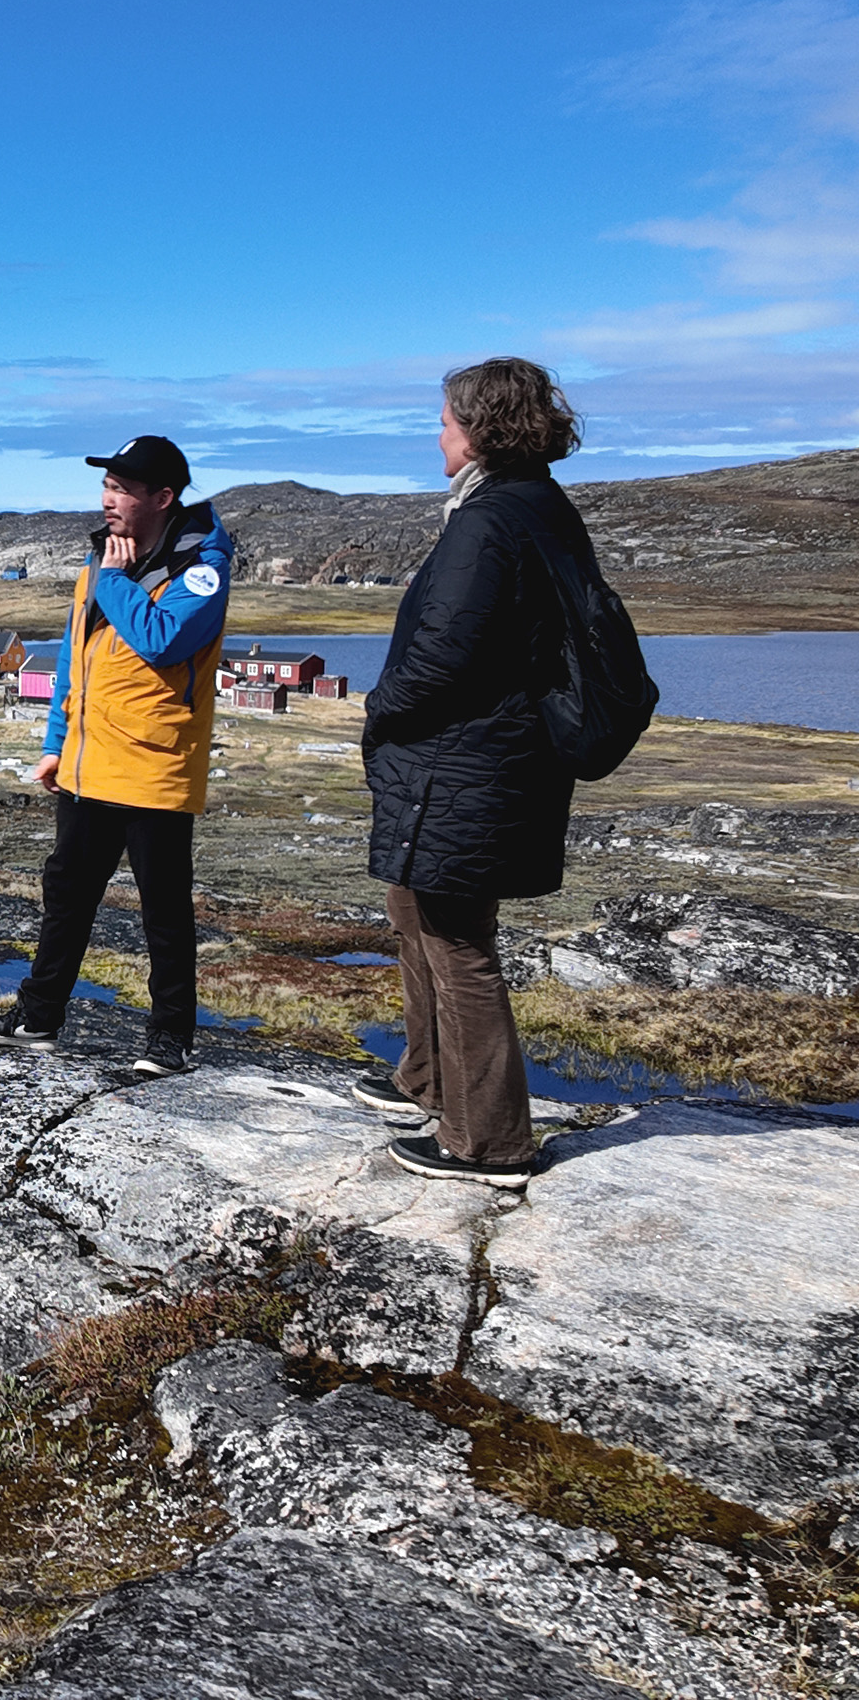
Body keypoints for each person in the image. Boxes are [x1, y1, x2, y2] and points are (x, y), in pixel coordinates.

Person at [353, 356, 597, 1188]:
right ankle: (427, 1080)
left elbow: (444, 656)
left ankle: (487, 1141)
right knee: (412, 903)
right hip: (487, 760)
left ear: (482, 429)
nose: (439, 435)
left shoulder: (490, 521)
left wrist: (379, 709)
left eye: (448, 421)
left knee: (456, 937)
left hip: (468, 763)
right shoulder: (534, 507)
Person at [0, 434, 234, 1074]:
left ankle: (170, 1038)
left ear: (163, 498)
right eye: (106, 487)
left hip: (154, 767)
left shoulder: (201, 568)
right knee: (68, 894)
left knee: (163, 909)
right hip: (89, 763)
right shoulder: (97, 567)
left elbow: (162, 640)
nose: (108, 500)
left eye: (122, 490)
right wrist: (56, 746)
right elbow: (73, 671)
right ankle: (38, 1016)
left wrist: (113, 580)